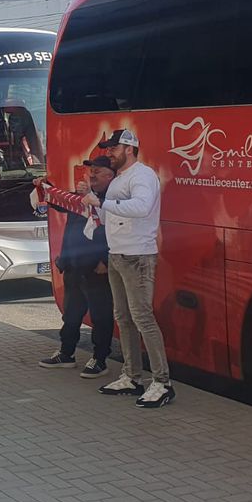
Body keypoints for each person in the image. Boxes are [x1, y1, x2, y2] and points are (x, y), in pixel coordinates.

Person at [81, 128, 174, 409]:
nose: (109, 152)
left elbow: (142, 207)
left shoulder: (143, 175)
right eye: (109, 148)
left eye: (113, 148)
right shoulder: (123, 177)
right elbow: (112, 212)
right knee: (124, 317)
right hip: (119, 255)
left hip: (137, 256)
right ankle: (132, 376)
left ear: (130, 148)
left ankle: (162, 383)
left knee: (141, 318)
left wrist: (102, 202)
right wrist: (94, 206)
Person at [36, 156, 115, 379]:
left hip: (95, 266)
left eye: (97, 171)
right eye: (91, 170)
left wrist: (106, 261)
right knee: (71, 313)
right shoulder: (82, 196)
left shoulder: (113, 200)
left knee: (101, 315)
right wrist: (45, 188)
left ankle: (100, 359)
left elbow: (117, 232)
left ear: (110, 176)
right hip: (73, 263)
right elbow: (60, 203)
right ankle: (66, 353)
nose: (91, 174)